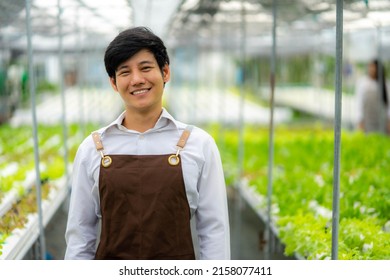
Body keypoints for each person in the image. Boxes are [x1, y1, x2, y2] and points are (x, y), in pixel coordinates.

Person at [64, 26, 230, 260]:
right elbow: (80, 236)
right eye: (125, 72)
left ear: (165, 72)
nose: (137, 80)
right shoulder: (93, 148)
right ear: (113, 83)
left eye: (145, 68)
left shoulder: (199, 145)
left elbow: (214, 232)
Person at [355, 59, 390, 134]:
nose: (371, 69)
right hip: (367, 120)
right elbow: (359, 103)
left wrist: (388, 120)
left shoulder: (385, 84)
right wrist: (360, 120)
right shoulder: (363, 83)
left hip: (381, 120)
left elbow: (388, 105)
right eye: (370, 67)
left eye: (373, 67)